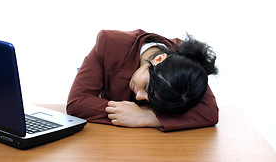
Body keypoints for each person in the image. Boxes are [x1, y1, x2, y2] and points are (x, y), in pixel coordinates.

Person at [67, 29, 218, 131]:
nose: (139, 96)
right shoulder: (111, 42)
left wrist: (147, 118)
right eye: (146, 87)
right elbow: (77, 103)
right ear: (159, 58)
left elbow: (209, 112)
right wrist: (124, 114)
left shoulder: (187, 66)